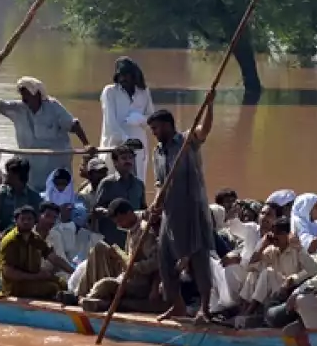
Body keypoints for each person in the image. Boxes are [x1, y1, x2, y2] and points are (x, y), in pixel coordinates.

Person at [147, 107, 216, 321]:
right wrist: (156, 202)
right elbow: (160, 182)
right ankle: (177, 305)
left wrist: (210, 104)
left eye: (156, 128)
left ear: (167, 125)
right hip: (170, 213)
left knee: (199, 258)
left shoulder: (187, 141)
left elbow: (204, 130)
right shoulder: (157, 153)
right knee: (165, 259)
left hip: (193, 209)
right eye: (152, 129)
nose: (154, 133)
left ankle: (205, 309)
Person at [0, 78, 91, 191]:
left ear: (36, 93)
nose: (23, 97)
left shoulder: (53, 107)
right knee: (29, 194)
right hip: (31, 169)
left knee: (56, 195)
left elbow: (73, 125)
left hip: (55, 167)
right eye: (21, 93)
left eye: (26, 92)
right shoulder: (18, 109)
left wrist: (86, 144)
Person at [77, 200, 166, 314]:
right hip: (126, 274)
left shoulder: (145, 231)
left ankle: (90, 300)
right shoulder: (132, 226)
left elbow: (155, 262)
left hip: (139, 282)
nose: (119, 225)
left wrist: (134, 267)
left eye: (120, 221)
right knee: (99, 249)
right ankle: (81, 295)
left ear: (129, 214)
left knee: (104, 285)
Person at [239, 218, 316, 318]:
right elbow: (251, 266)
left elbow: (309, 271)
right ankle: (244, 310)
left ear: (287, 235)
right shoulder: (272, 250)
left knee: (268, 272)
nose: (274, 237)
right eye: (273, 233)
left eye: (278, 233)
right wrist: (262, 246)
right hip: (275, 289)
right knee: (253, 274)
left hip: (291, 288)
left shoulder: (297, 249)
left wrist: (292, 279)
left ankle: (249, 311)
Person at [100, 56, 156, 184]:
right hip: (115, 145)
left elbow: (152, 118)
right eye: (121, 75)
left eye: (127, 75)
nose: (123, 79)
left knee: (137, 182)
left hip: (138, 146)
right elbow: (110, 122)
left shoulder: (143, 92)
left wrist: (141, 119)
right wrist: (126, 140)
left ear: (134, 76)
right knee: (114, 182)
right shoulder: (110, 92)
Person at [0, 206, 67, 300]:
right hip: (14, 286)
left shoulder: (35, 238)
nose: (26, 222)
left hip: (32, 279)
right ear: (16, 221)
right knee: (52, 288)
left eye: (29, 219)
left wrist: (74, 271)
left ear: (35, 220)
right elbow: (8, 273)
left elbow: (53, 257)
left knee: (63, 283)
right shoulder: (10, 241)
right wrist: (36, 276)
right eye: (22, 219)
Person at [86, 145, 146, 248]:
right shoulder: (107, 183)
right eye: (124, 158)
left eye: (130, 158)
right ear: (115, 162)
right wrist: (111, 213)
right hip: (112, 239)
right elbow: (96, 211)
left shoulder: (139, 184)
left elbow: (143, 208)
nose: (128, 161)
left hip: (134, 239)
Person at [0, 157, 43, 232]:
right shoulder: (2, 194)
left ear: (16, 175)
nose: (6, 175)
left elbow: (38, 222)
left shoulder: (34, 198)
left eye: (8, 172)